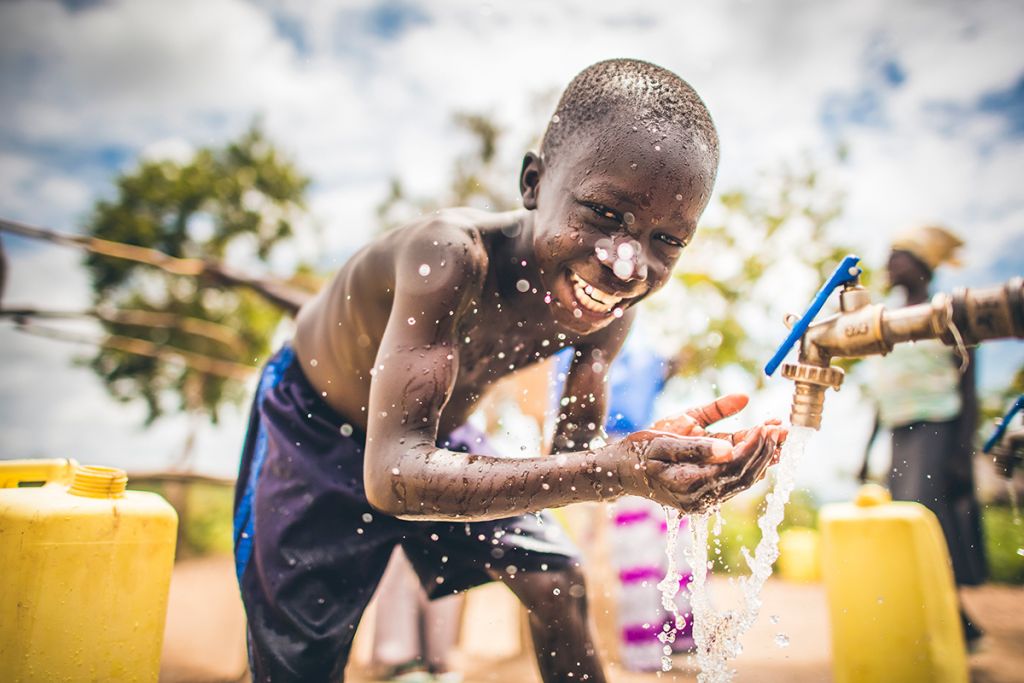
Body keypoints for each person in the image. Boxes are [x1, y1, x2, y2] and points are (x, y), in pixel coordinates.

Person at [232, 58, 787, 683]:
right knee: (299, 653)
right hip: (312, 426)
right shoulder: (449, 256)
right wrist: (617, 470)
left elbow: (574, 459)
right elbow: (393, 475)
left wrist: (649, 455)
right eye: (604, 214)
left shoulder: (611, 313)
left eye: (668, 241)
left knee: (556, 578)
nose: (627, 265)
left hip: (437, 441)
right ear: (533, 183)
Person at [862, 224, 987, 649]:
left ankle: (955, 618)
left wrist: (961, 452)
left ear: (923, 266)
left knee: (927, 518)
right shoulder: (886, 321)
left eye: (900, 256)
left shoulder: (947, 313)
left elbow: (968, 387)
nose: (890, 263)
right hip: (899, 431)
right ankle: (939, 616)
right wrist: (866, 452)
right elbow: (884, 393)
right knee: (903, 520)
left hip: (939, 428)